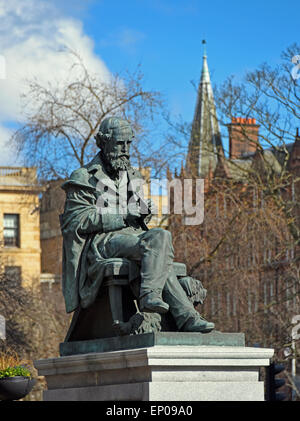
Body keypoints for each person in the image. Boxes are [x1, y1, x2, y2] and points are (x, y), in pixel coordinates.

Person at [60, 117, 214, 333]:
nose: (125, 149)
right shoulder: (84, 176)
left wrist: (143, 212)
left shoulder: (131, 175)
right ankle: (182, 315)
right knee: (156, 245)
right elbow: (76, 221)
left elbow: (137, 217)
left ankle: (155, 298)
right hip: (102, 242)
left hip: (131, 237)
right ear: (103, 143)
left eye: (128, 144)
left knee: (161, 236)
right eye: (119, 143)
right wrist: (124, 215)